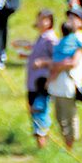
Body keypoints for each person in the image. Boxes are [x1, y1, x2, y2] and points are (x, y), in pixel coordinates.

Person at [46, 7, 82, 150]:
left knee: (68, 116)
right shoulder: (66, 38)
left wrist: (55, 66)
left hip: (68, 82)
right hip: (58, 83)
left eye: (75, 17)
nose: (70, 19)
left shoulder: (80, 39)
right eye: (69, 16)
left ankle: (70, 146)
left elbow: (72, 62)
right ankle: (66, 144)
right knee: (60, 116)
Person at [26, 9, 59, 148]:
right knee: (33, 110)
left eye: (44, 19)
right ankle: (40, 142)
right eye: (39, 19)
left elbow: (57, 60)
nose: (40, 22)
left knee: (40, 110)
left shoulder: (51, 39)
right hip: (33, 82)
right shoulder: (41, 37)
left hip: (42, 82)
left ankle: (42, 144)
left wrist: (43, 62)